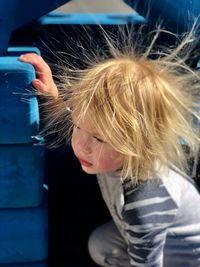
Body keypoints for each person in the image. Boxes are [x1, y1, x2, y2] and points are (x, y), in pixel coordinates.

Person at [20, 28, 200, 267]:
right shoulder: (115, 153)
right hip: (148, 235)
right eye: (77, 125)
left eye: (99, 138)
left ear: (137, 144)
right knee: (101, 245)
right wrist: (52, 96)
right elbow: (83, 121)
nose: (81, 145)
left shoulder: (145, 205)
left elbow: (148, 263)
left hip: (187, 257)